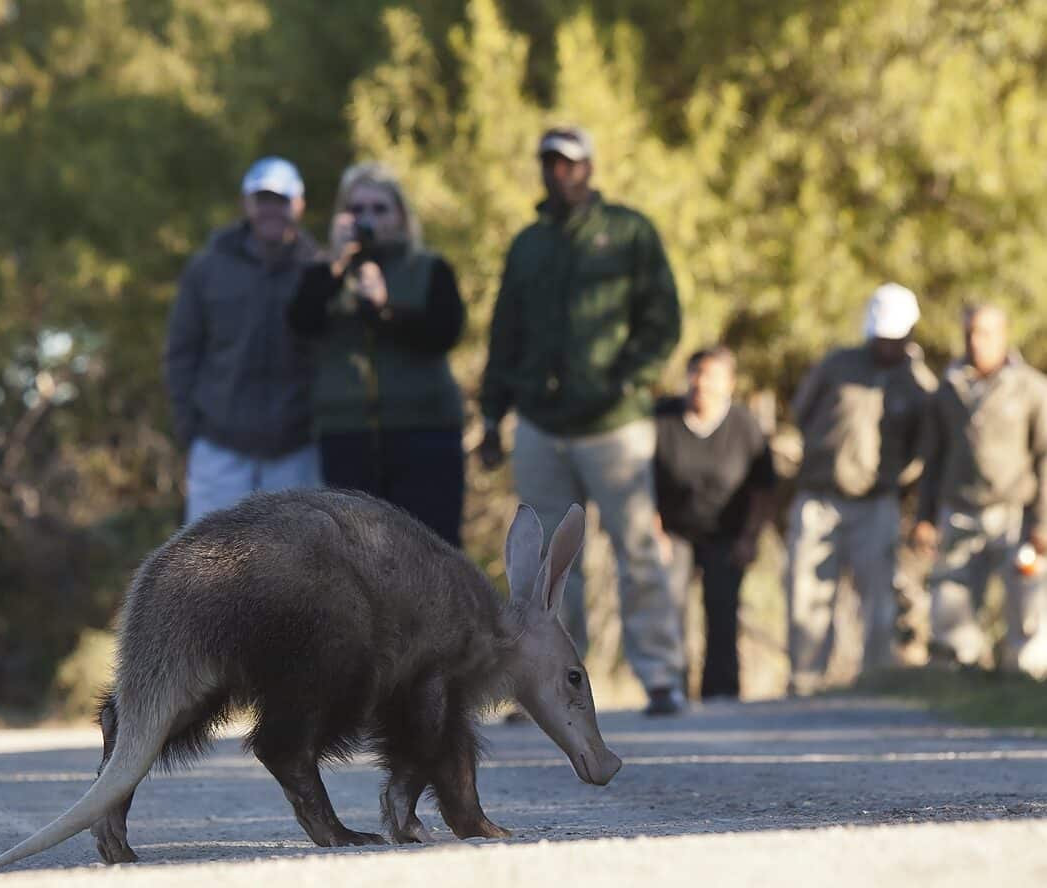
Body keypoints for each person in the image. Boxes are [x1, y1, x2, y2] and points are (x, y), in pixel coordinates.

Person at [477, 125, 685, 715]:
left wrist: (633, 378)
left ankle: (661, 675)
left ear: (589, 168)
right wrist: (492, 416)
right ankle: (544, 683)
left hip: (613, 424)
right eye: (550, 163)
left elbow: (662, 317)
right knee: (543, 566)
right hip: (542, 423)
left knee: (637, 546)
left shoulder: (628, 232)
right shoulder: (528, 245)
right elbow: (504, 334)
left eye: (570, 163)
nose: (560, 173)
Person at [287, 163, 466, 545]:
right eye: (357, 209)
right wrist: (335, 263)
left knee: (431, 557)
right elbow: (301, 322)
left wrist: (385, 309)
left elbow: (445, 333)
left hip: (424, 431)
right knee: (356, 563)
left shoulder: (430, 268)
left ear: (400, 215)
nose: (367, 218)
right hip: (347, 433)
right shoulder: (324, 273)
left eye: (379, 209)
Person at [785, 283, 937, 695]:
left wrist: (898, 482)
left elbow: (925, 448)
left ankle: (875, 683)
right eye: (880, 336)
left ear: (909, 334)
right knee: (808, 595)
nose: (886, 345)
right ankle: (805, 684)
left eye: (894, 338)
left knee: (878, 600)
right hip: (820, 497)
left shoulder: (919, 383)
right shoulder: (836, 365)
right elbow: (801, 411)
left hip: (877, 503)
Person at [164, 156, 321, 526]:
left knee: (294, 571)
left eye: (280, 200)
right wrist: (189, 427)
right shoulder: (207, 268)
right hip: (219, 448)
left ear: (298, 205)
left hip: (296, 449)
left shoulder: (318, 269)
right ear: (246, 203)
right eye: (262, 199)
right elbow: (182, 351)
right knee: (207, 571)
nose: (271, 209)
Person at [912, 305, 1047, 678]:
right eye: (970, 333)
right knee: (952, 601)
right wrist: (924, 516)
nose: (976, 342)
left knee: (1026, 602)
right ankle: (961, 674)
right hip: (959, 511)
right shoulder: (948, 389)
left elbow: (1044, 457)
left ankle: (1023, 680)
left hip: (1014, 514)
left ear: (1004, 335)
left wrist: (1044, 521)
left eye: (986, 333)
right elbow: (932, 460)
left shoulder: (1031, 388)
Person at [653, 346, 776, 700]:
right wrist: (654, 531)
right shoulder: (663, 417)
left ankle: (721, 694)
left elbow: (763, 488)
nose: (701, 383)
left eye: (711, 375)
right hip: (674, 530)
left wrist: (751, 538)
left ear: (730, 383)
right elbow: (641, 481)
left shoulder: (744, 425)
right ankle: (670, 687)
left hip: (728, 533)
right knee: (670, 607)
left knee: (722, 612)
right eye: (695, 373)